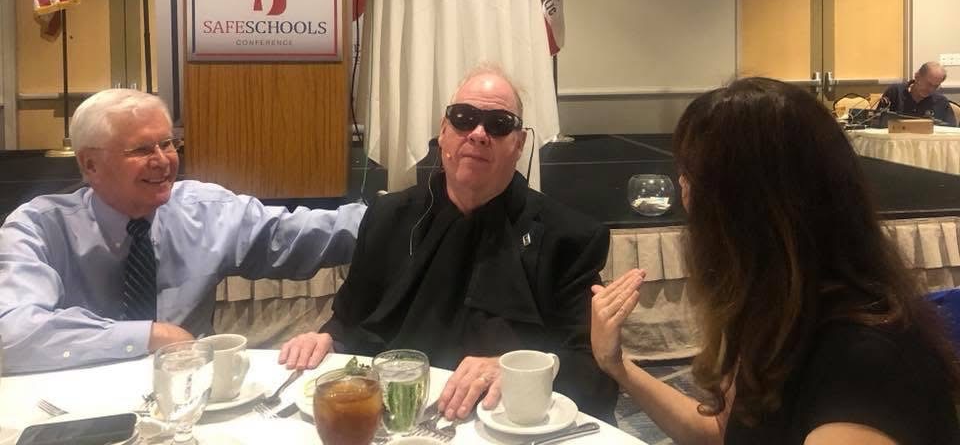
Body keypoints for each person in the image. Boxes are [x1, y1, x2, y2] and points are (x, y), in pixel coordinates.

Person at [591, 77, 960, 445]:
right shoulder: (778, 311)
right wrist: (617, 364)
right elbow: (720, 434)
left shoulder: (861, 364)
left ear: (743, 208)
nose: (683, 190)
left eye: (691, 176)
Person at [279, 65, 619, 422]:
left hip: (504, 425)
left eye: (499, 124)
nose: (479, 134)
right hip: (395, 415)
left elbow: (592, 371)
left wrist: (519, 369)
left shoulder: (569, 238)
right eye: (464, 118)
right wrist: (325, 340)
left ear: (518, 144)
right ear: (443, 132)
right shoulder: (388, 217)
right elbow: (348, 322)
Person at [0, 89, 365, 374]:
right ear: (90, 164)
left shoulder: (204, 210)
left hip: (191, 396)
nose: (163, 161)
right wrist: (150, 336)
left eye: (168, 143)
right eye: (141, 149)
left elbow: (305, 234)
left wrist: (394, 214)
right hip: (77, 404)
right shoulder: (39, 227)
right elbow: (10, 333)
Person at [879, 61, 957, 126]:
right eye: (928, 84)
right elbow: (878, 122)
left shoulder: (941, 101)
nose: (931, 89)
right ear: (917, 77)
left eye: (936, 86)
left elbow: (951, 131)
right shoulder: (894, 92)